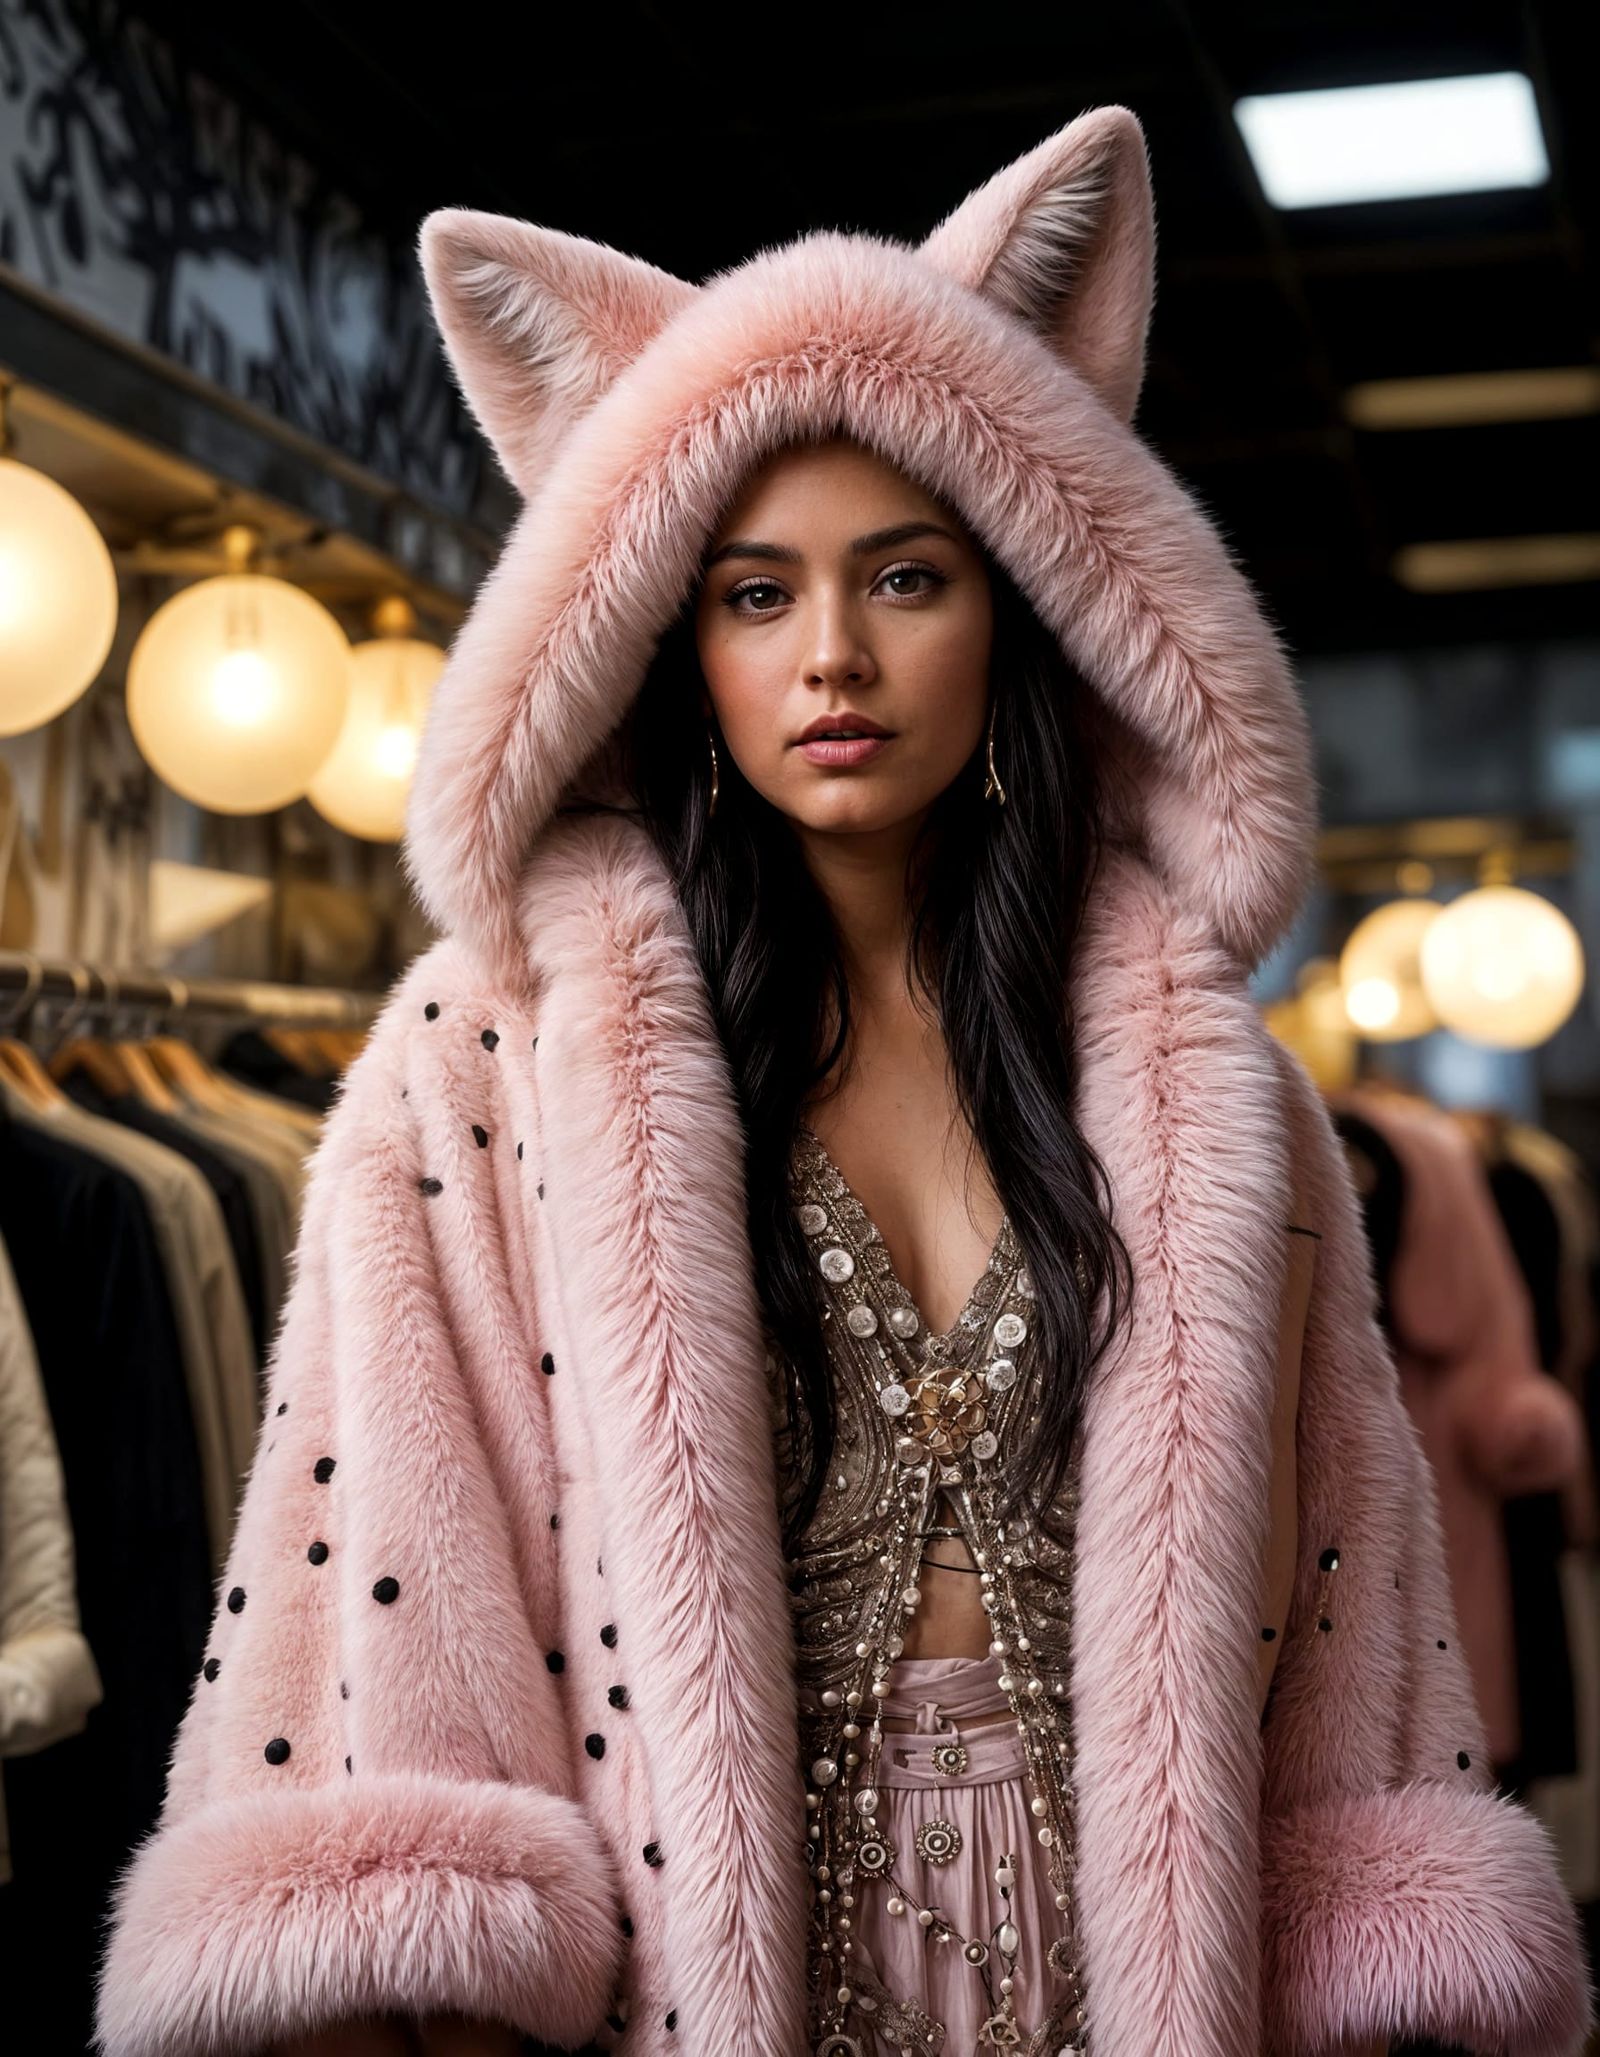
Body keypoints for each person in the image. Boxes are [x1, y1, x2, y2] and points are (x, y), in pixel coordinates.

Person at [93, 107, 1591, 2057]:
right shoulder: (492, 1065)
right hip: (698, 1989)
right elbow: (395, 1591)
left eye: (903, 577)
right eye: (750, 592)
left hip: (1138, 1986)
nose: (830, 657)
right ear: (667, 632)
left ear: (1017, 599)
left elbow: (1343, 1634)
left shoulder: (1195, 1089)